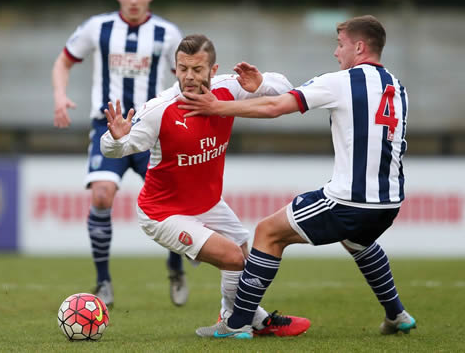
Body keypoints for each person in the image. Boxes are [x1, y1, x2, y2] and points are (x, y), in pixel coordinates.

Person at [180, 15, 417, 339]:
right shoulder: (396, 87)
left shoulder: (342, 81)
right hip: (390, 202)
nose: (336, 53)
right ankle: (397, 314)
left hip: (350, 200)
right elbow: (300, 95)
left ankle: (235, 325)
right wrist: (262, 86)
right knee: (357, 241)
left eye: (340, 44)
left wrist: (217, 108)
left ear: (359, 47)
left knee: (267, 232)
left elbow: (278, 106)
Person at [100, 34, 311, 337]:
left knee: (244, 253)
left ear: (213, 71)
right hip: (162, 212)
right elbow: (116, 150)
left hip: (208, 203)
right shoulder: (160, 109)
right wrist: (115, 137)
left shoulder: (229, 88)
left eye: (197, 69)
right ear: (175, 69)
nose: (188, 76)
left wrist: (261, 82)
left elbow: (286, 91)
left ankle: (243, 318)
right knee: (232, 258)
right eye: (182, 68)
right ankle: (238, 323)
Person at [51, 0, 188, 307]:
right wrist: (59, 96)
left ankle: (174, 266)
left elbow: (184, 79)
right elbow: (63, 62)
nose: (134, 1)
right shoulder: (98, 27)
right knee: (101, 197)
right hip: (106, 126)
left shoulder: (168, 34)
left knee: (169, 203)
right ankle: (103, 282)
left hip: (148, 128)